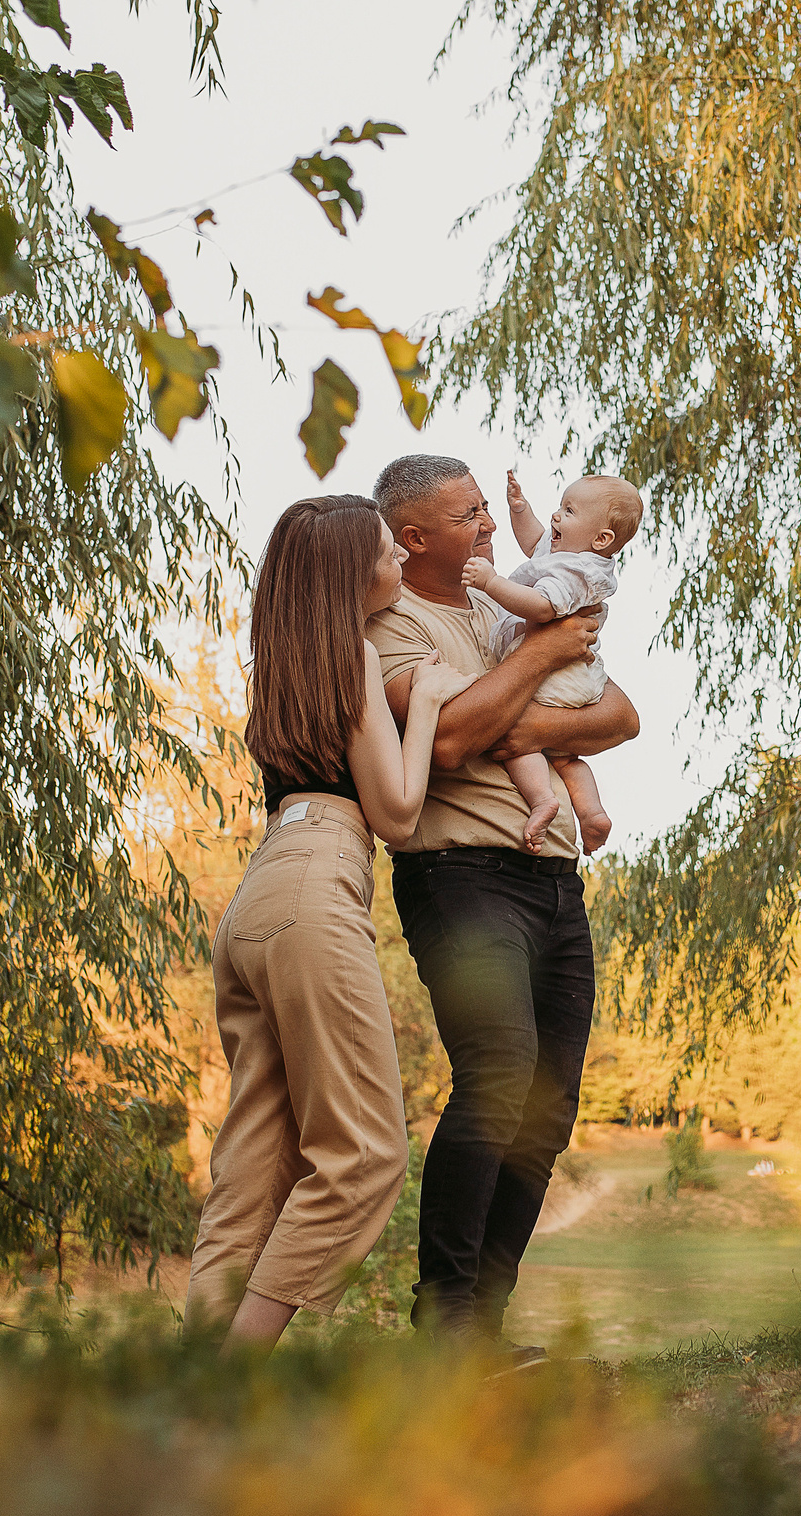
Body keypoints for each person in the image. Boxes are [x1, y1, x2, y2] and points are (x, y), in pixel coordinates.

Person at [365, 453, 641, 1352]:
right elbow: (444, 745)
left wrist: (519, 703)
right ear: (413, 538)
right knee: (498, 1075)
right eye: (467, 516)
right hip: (461, 877)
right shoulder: (386, 623)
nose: (490, 527)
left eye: (488, 508)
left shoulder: (512, 599)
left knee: (548, 1104)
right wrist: (540, 669)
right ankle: (444, 1329)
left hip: (555, 879)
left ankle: (482, 1328)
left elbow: (618, 715)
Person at [186, 494, 467, 1350]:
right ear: (355, 570)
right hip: (319, 887)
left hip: (259, 895)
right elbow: (397, 811)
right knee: (365, 1153)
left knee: (253, 1170)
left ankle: (183, 1393)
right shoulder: (353, 650)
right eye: (386, 551)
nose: (397, 563)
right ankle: (232, 1378)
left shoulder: (281, 657)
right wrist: (423, 710)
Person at [461, 469, 646, 853]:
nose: (556, 517)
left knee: (521, 739)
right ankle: (592, 812)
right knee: (567, 756)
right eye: (559, 507)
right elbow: (535, 544)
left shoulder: (574, 571)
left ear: (602, 538)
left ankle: (543, 799)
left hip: (558, 675)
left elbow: (544, 608)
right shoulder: (572, 556)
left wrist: (491, 582)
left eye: (569, 510)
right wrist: (520, 508)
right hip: (580, 678)